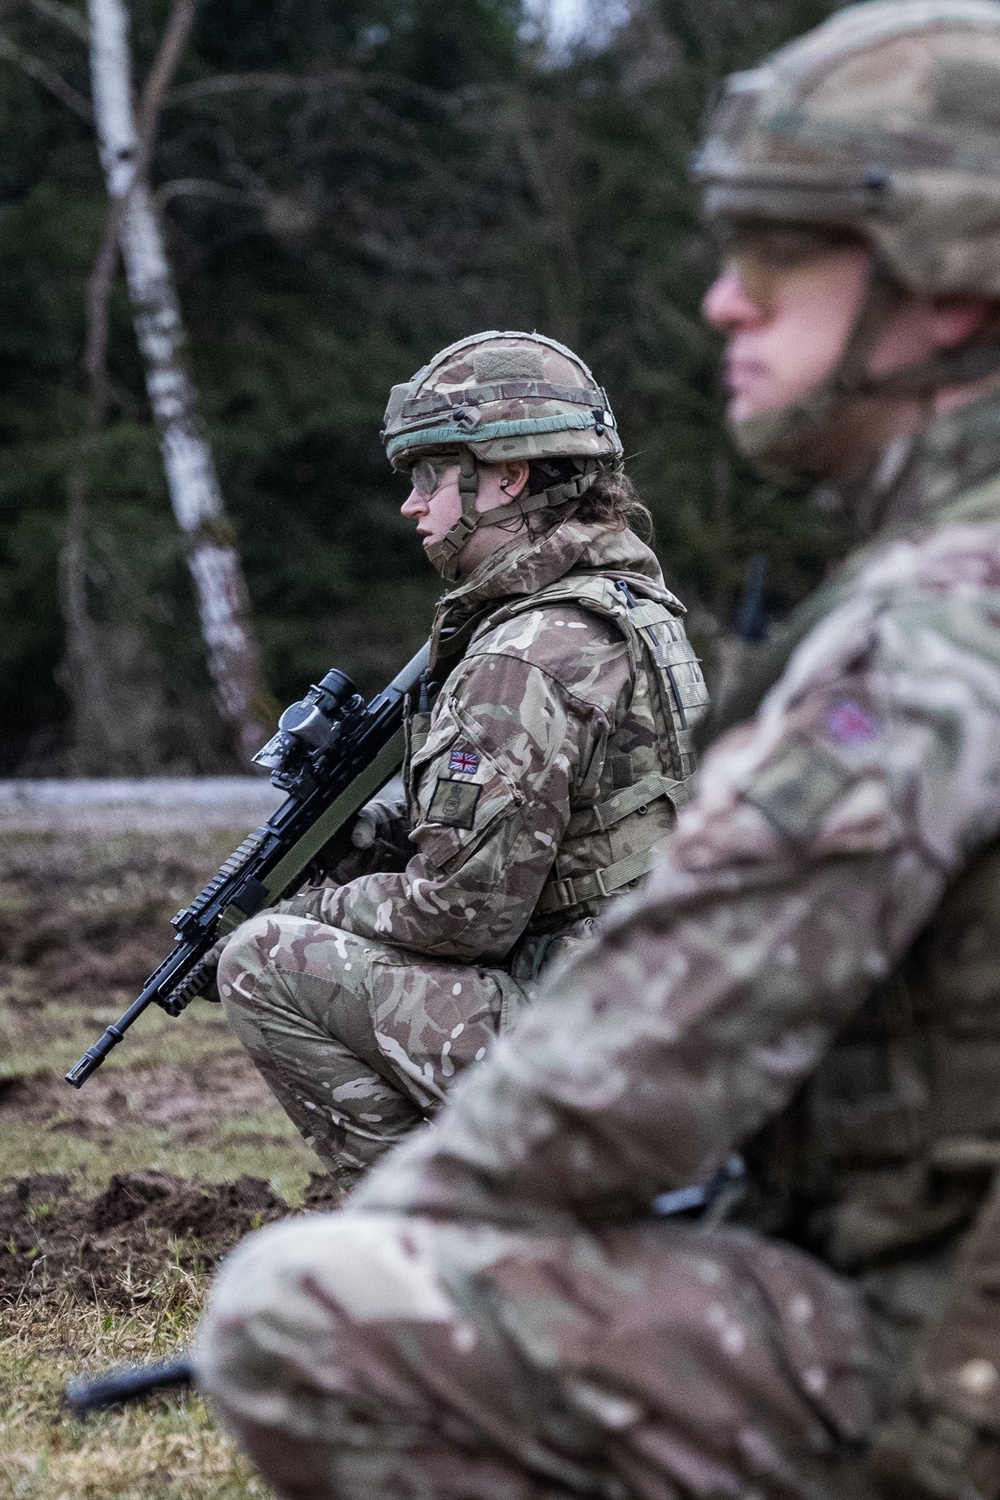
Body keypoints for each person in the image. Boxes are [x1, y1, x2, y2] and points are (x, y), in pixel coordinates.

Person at [195, 4, 1000, 1496]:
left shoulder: (931, 626)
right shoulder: (724, 604)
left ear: (947, 282)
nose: (721, 308)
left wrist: (408, 1233)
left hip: (940, 1358)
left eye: (774, 259)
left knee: (294, 1318)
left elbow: (652, 1037)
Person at [216, 329, 707, 1193]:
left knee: (263, 958)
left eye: (429, 478)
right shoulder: (632, 610)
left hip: (605, 1055)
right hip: (673, 1020)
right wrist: (361, 836)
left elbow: (463, 917)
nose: (412, 506)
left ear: (507, 477)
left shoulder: (518, 655)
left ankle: (442, 1241)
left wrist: (320, 901)